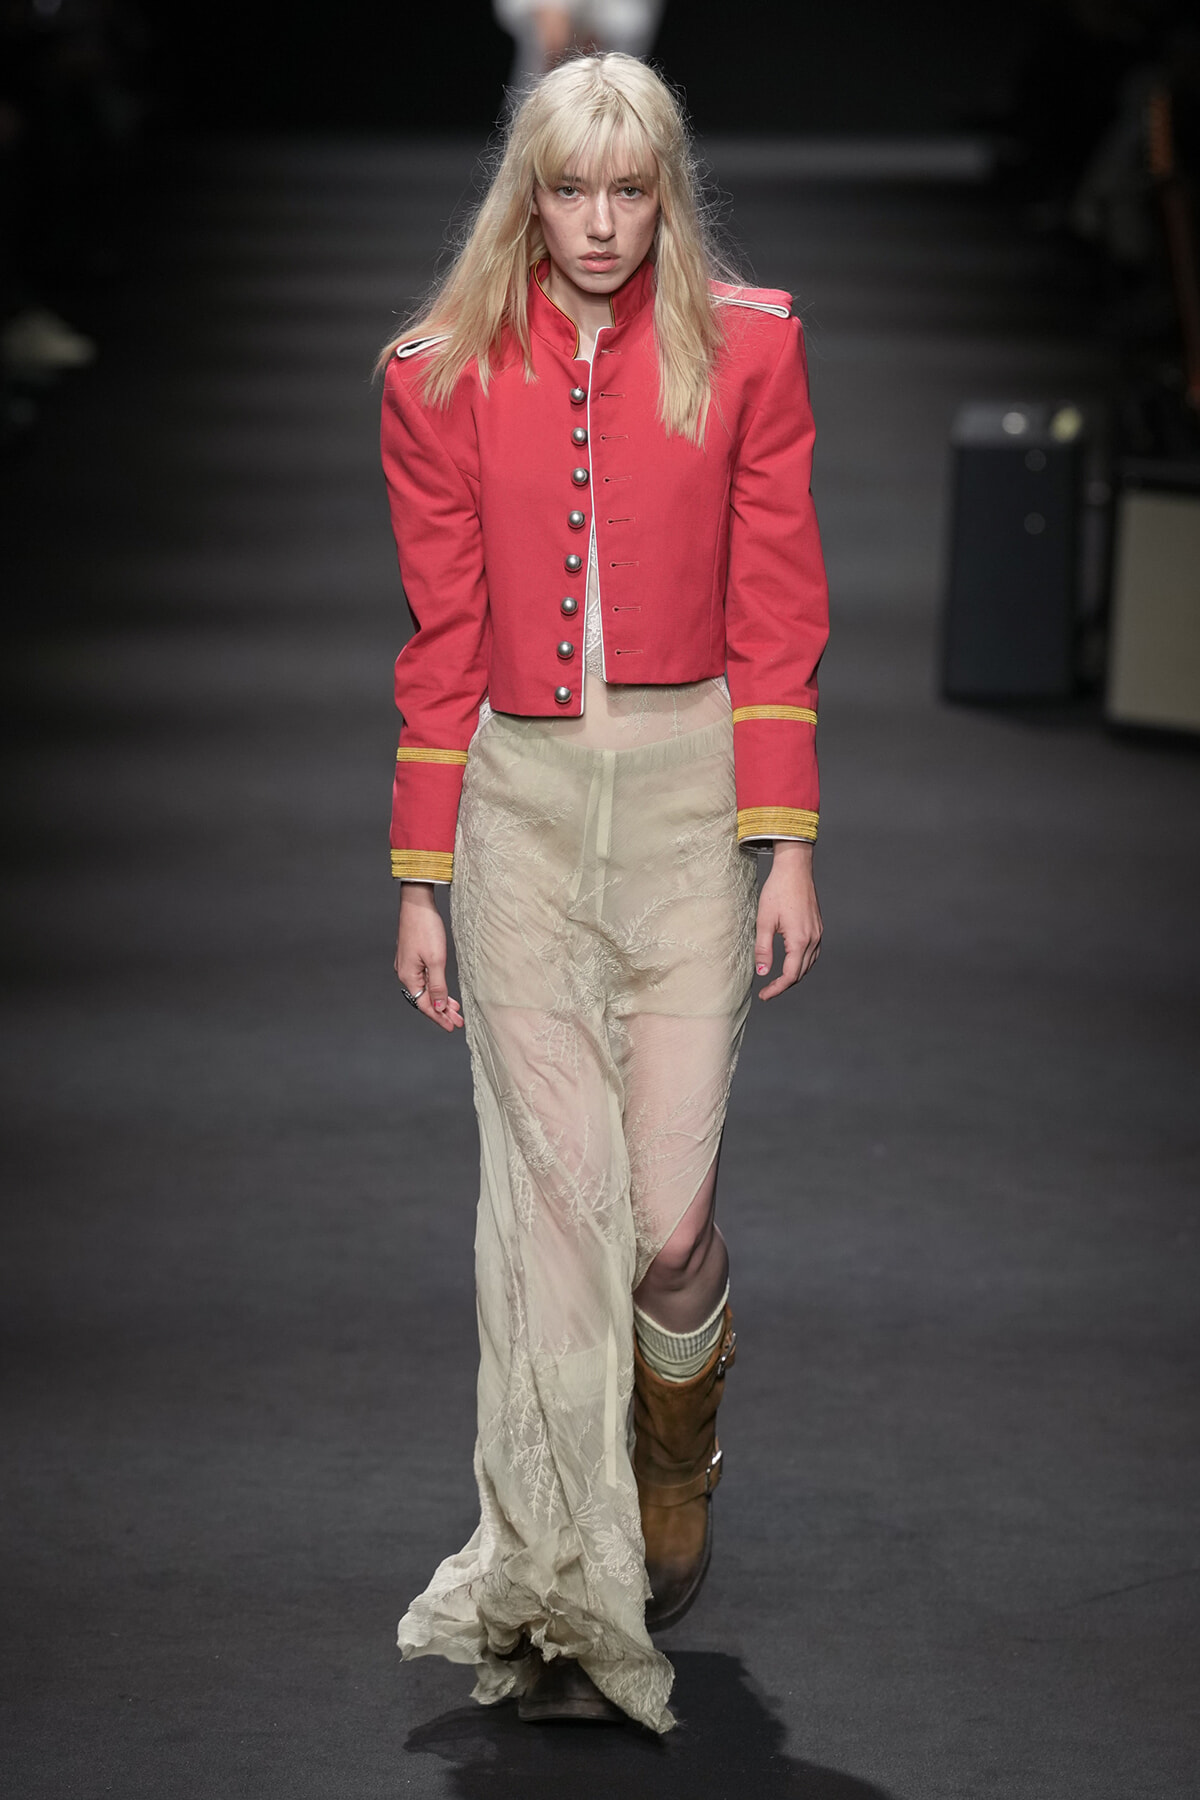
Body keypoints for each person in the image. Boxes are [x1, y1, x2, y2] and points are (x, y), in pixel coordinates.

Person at [379, 52, 828, 1732]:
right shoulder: (435, 376)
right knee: (558, 1219)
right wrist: (421, 875)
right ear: (529, 194)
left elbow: (778, 601)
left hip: (689, 806)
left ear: (665, 197)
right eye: (569, 189)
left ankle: (676, 1442)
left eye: (630, 191)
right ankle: (567, 1581)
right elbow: (439, 637)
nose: (598, 222)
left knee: (667, 1220)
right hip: (516, 811)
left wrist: (788, 841)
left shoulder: (751, 347)